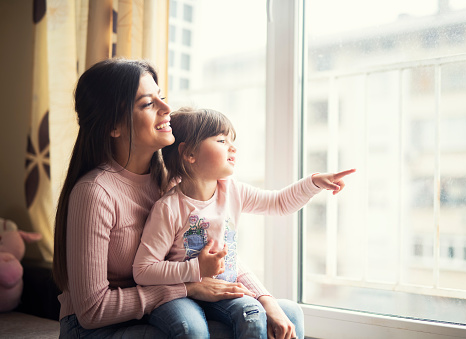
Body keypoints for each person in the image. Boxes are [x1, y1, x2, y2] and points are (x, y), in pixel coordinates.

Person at [52, 59, 261, 338]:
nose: (167, 109)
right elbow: (92, 311)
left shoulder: (172, 181)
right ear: (114, 126)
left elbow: (219, 251)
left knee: (263, 320)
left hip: (157, 310)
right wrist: (186, 287)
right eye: (148, 104)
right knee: (192, 331)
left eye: (161, 97)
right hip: (97, 327)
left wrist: (264, 298)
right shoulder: (95, 192)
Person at [133, 107, 356, 339]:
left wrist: (314, 183)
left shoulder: (232, 191)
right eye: (221, 140)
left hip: (224, 290)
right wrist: (196, 269)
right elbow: (143, 270)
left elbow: (278, 202)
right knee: (190, 329)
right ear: (189, 153)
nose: (232, 147)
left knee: (252, 313)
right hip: (180, 295)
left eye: (232, 140)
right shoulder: (168, 208)